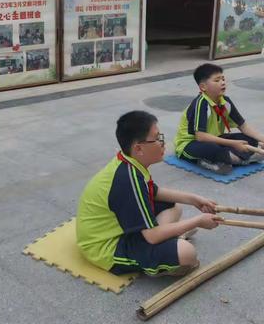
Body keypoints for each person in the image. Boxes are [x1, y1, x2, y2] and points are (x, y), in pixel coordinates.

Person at [76, 111, 220, 277]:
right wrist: (198, 221)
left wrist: (194, 199)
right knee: (188, 254)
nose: (162, 143)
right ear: (138, 148)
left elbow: (154, 191)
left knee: (174, 207)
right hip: (106, 247)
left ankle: (173, 237)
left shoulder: (127, 161)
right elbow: (152, 236)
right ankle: (169, 249)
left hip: (118, 227)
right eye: (157, 139)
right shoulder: (127, 180)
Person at [174, 63, 264, 175]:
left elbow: (243, 126)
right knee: (213, 149)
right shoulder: (201, 103)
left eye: (223, 79)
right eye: (217, 80)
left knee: (251, 140)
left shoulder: (225, 101)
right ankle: (233, 159)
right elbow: (201, 137)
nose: (222, 82)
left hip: (216, 138)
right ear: (203, 87)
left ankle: (232, 159)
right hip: (190, 144)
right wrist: (232, 143)